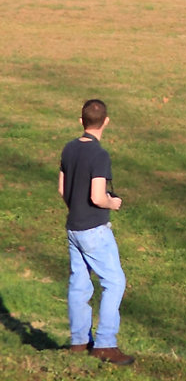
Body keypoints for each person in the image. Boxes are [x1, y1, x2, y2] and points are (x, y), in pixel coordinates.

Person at [58, 99, 134, 366]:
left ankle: (79, 342)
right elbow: (98, 196)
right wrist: (113, 203)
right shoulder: (100, 155)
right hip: (94, 230)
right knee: (114, 282)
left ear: (81, 121)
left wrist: (76, 207)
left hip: (73, 228)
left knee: (79, 284)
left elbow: (61, 189)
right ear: (106, 122)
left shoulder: (69, 149)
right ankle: (105, 344)